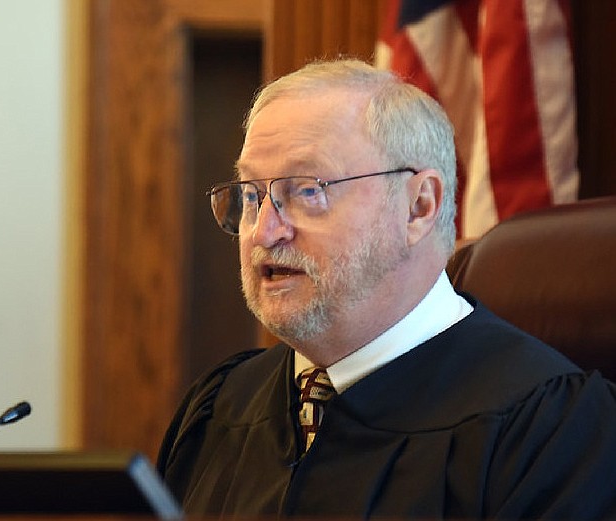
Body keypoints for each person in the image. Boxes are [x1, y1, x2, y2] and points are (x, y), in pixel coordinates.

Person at [156, 58, 616, 519]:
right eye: (252, 195)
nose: (264, 231)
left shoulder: (549, 429)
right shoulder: (220, 406)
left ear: (419, 206)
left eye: (307, 191)